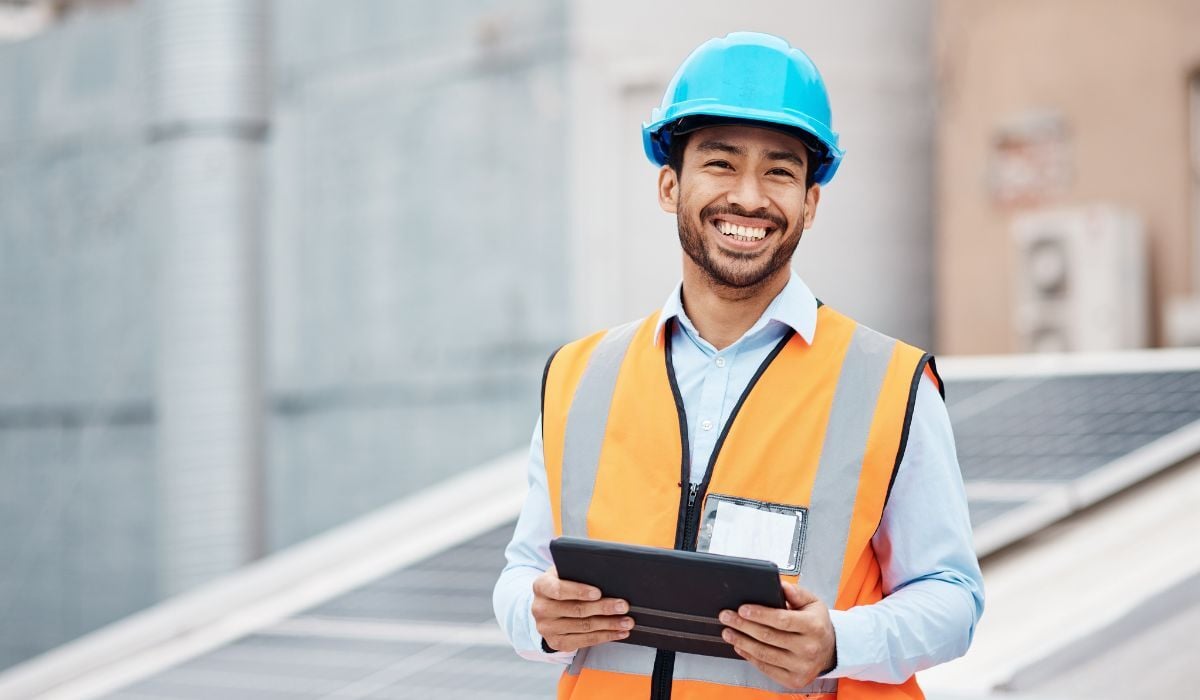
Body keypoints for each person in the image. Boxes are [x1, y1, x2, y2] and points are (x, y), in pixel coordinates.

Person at [493, 31, 984, 699]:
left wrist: (841, 641)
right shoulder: (581, 377)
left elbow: (953, 599)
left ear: (811, 202)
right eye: (720, 164)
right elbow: (522, 571)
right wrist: (539, 617)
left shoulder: (889, 384)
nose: (749, 198)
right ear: (670, 185)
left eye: (780, 171)